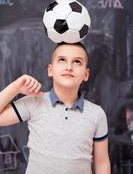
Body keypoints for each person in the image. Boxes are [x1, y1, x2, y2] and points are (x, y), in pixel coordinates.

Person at [0, 42, 111, 174]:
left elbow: (102, 162)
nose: (69, 67)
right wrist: (15, 87)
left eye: (77, 62)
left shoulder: (96, 114)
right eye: (62, 60)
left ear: (86, 74)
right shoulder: (34, 102)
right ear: (50, 70)